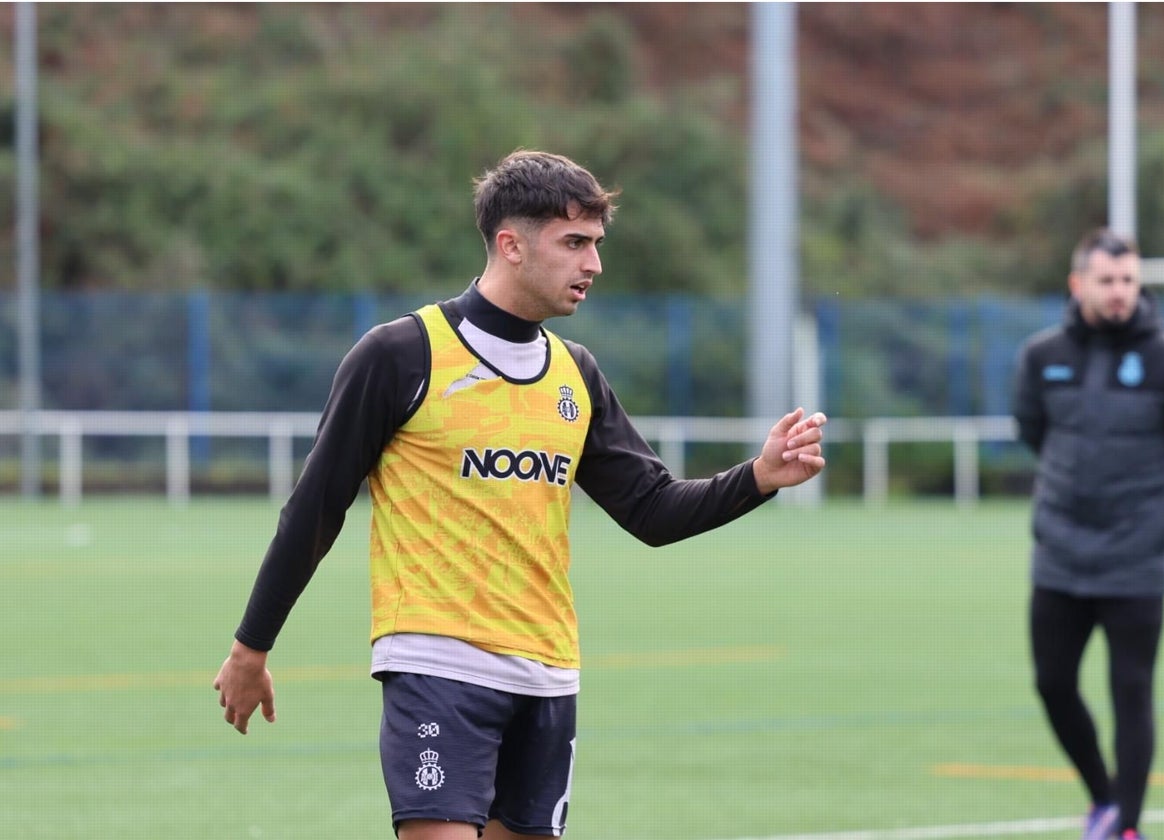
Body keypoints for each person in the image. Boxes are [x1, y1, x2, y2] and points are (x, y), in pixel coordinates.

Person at [213, 149, 828, 840]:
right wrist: (251, 648)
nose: (593, 265)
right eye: (574, 244)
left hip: (548, 678)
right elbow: (315, 510)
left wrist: (758, 478)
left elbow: (651, 511)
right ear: (511, 244)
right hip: (436, 667)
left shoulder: (576, 375)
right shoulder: (401, 356)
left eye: (595, 244)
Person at [1013, 228, 1164, 840]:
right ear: (1079, 284)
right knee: (1052, 683)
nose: (1120, 292)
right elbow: (1034, 432)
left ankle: (1128, 828)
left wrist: (1154, 518)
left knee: (1131, 692)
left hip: (1136, 558)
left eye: (1128, 280)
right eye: (1107, 280)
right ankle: (1103, 799)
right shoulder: (1042, 356)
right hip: (1060, 553)